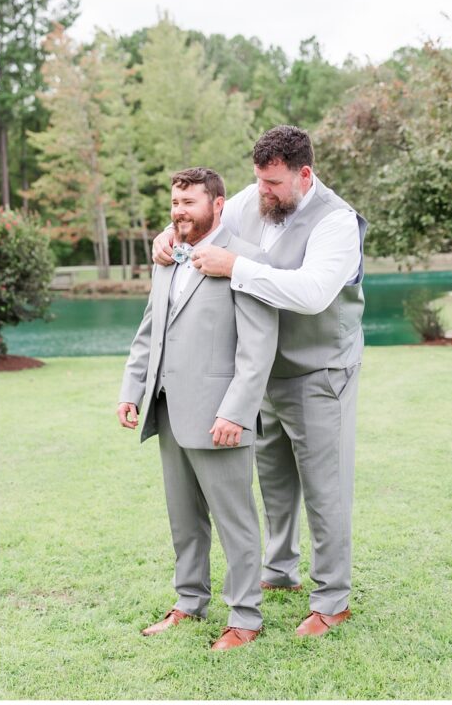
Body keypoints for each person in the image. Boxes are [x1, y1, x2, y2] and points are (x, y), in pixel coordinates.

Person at [152, 125, 366, 637]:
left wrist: (238, 267)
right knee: (273, 481)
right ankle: (280, 569)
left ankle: (332, 600)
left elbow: (313, 292)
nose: (263, 192)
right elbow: (207, 219)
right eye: (259, 181)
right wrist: (170, 235)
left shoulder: (337, 221)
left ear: (304, 174)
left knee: (325, 487)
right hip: (259, 371)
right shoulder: (253, 198)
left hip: (320, 370)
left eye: (274, 183)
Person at [118, 167, 278, 651]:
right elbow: (151, 330)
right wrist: (132, 389)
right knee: (184, 520)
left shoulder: (246, 260)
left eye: (189, 203)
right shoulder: (167, 257)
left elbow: (259, 346)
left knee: (236, 522)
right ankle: (189, 603)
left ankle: (245, 617)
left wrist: (236, 411)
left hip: (220, 420)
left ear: (219, 204)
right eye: (175, 203)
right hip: (168, 413)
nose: (179, 212)